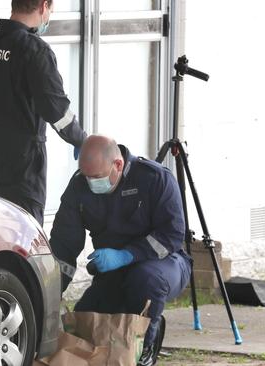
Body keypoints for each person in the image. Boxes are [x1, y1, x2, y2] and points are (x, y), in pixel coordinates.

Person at [49, 135, 193, 366]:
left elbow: (171, 236)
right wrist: (51, 293)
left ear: (118, 164)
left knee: (145, 280)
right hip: (113, 271)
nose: (90, 183)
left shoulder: (154, 178)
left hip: (164, 263)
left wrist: (127, 255)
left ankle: (144, 348)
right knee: (84, 321)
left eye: (96, 177)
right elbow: (63, 244)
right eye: (86, 176)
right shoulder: (79, 186)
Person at [0, 0, 86, 225]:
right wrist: (81, 140)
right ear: (44, 6)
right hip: (23, 163)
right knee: (24, 232)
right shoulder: (35, 50)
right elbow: (56, 111)